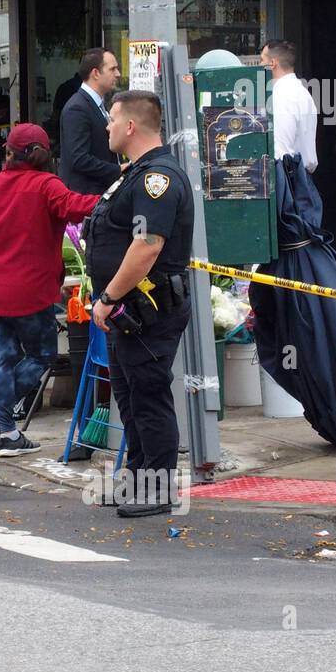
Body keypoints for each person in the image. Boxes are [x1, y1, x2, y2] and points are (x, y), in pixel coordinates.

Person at [85, 91, 194, 518]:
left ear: (131, 126)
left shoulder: (158, 179)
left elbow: (147, 245)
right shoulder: (134, 174)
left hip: (148, 309)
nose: (107, 127)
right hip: (127, 312)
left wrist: (110, 296)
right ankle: (137, 478)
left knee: (148, 395)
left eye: (112, 119)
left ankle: (159, 487)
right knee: (129, 397)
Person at [0, 123, 100, 456]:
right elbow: (80, 207)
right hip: (30, 291)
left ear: (8, 153)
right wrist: (118, 194)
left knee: (1, 359)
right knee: (40, 356)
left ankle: (5, 429)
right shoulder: (47, 186)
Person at [59, 47, 124, 194]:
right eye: (112, 69)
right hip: (84, 198)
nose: (118, 74)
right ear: (95, 73)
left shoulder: (97, 104)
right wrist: (117, 169)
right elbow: (79, 158)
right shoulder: (77, 108)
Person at [261, 39, 318, 173]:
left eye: (262, 60)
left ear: (273, 63)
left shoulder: (281, 96)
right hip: (301, 175)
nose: (260, 64)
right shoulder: (303, 93)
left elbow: (280, 152)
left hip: (286, 177)